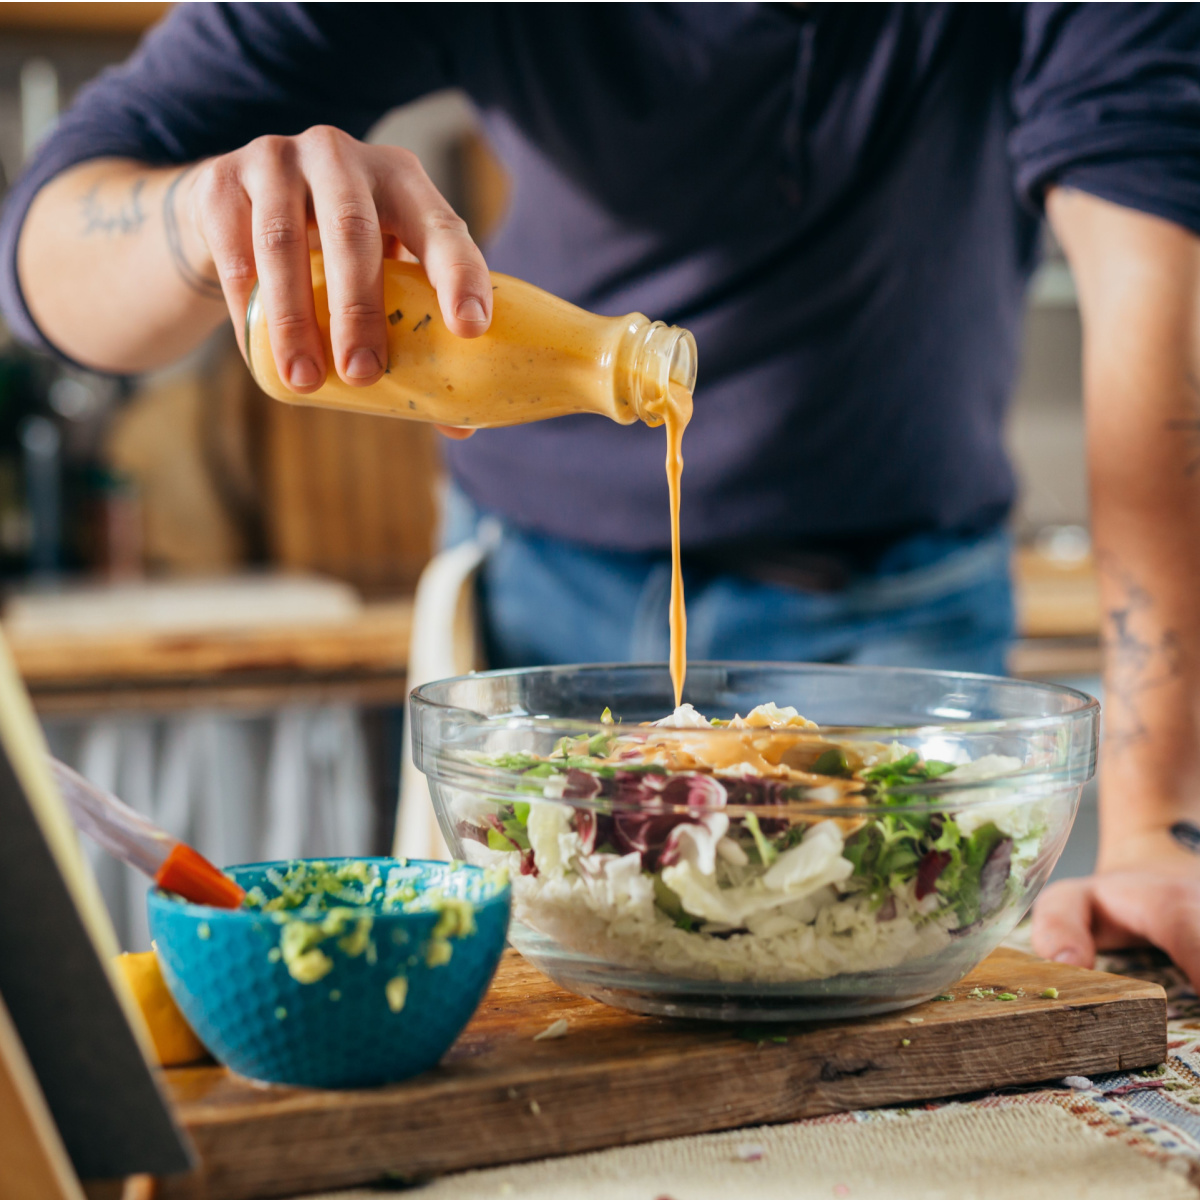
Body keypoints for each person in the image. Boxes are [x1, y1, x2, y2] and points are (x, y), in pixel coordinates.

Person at [4, 4, 1200, 982]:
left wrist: (1156, 825)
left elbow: (1160, 310)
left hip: (891, 617)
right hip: (525, 606)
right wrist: (193, 219)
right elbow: (45, 255)